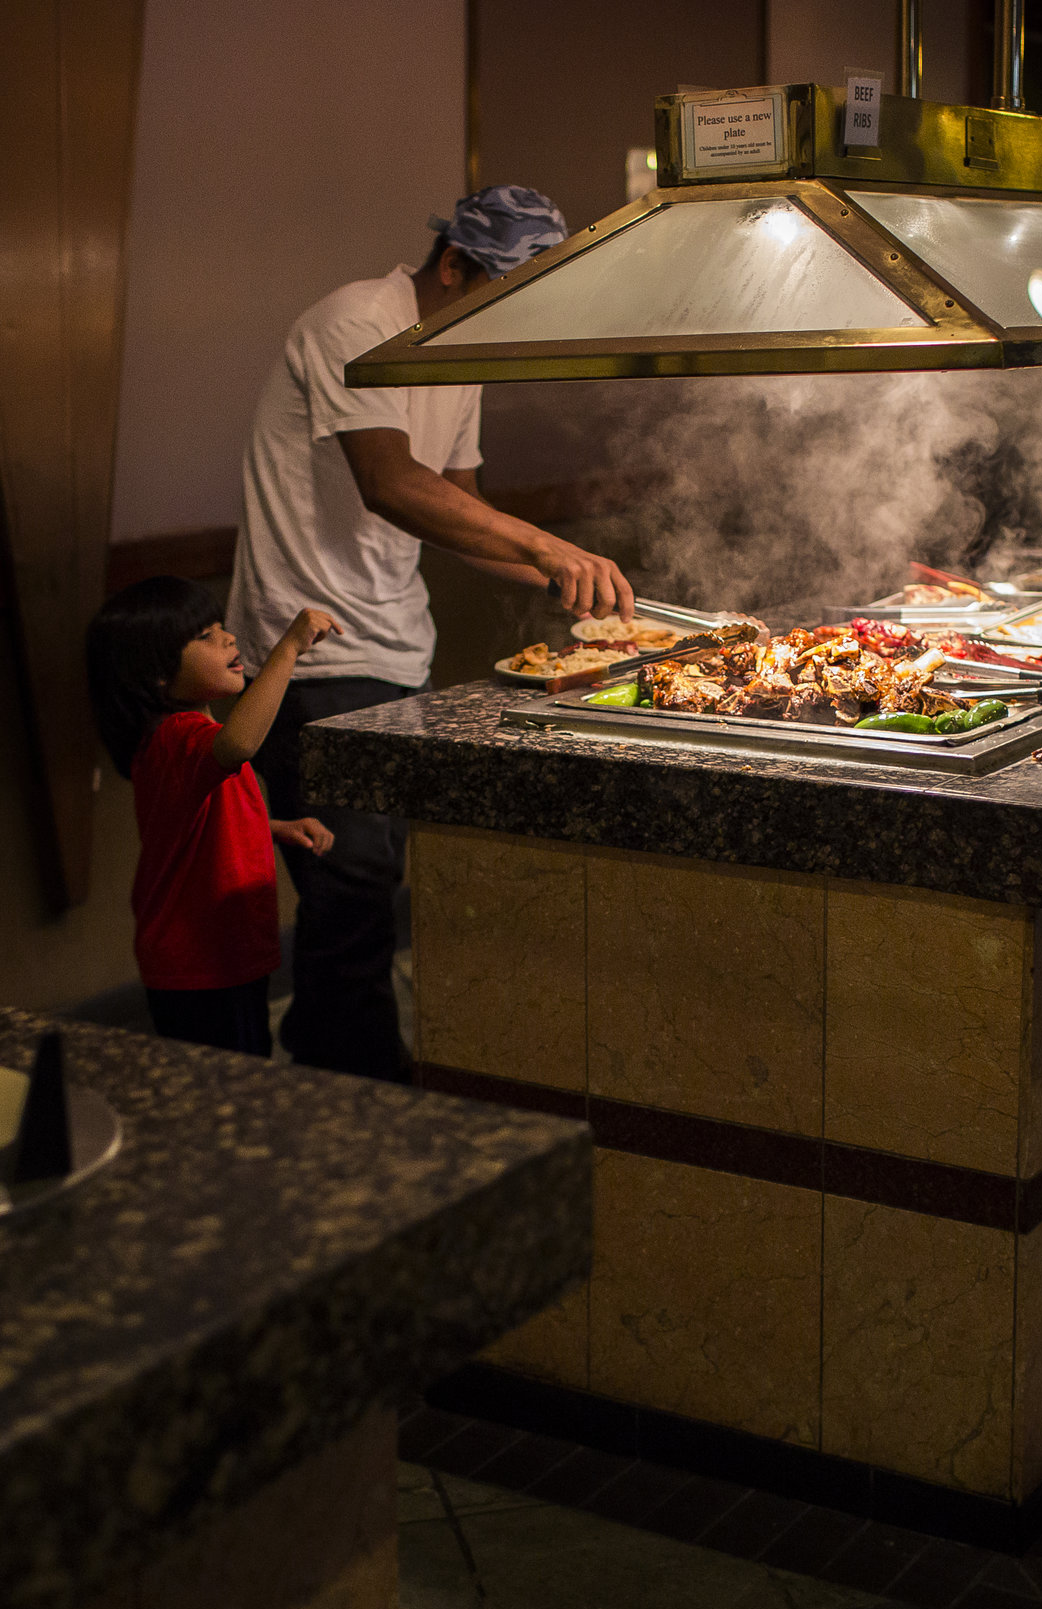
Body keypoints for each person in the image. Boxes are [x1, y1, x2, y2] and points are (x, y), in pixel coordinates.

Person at [228, 184, 636, 1082]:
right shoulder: (357, 323)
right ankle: (352, 1089)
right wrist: (548, 542)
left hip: (393, 643)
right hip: (309, 648)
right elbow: (391, 482)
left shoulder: (462, 348)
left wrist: (568, 580)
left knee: (369, 887)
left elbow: (460, 503)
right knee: (353, 889)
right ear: (454, 266)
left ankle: (355, 1070)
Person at [85, 576, 341, 1057]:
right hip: (202, 962)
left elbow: (195, 827)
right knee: (234, 1088)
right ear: (157, 674)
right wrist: (287, 649)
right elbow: (242, 744)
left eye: (222, 628)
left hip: (219, 956)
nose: (227, 638)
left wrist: (276, 828)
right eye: (204, 636)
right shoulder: (178, 739)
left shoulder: (186, 738)